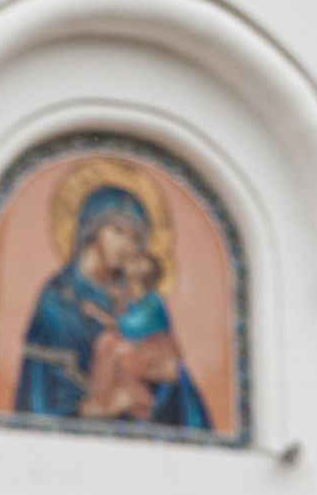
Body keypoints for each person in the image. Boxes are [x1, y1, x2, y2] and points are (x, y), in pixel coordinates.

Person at [15, 184, 212, 430]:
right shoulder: (57, 299)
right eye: (118, 231)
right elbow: (40, 392)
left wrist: (172, 378)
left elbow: (168, 369)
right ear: (92, 229)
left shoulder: (140, 298)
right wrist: (93, 408)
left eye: (135, 239)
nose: (127, 245)